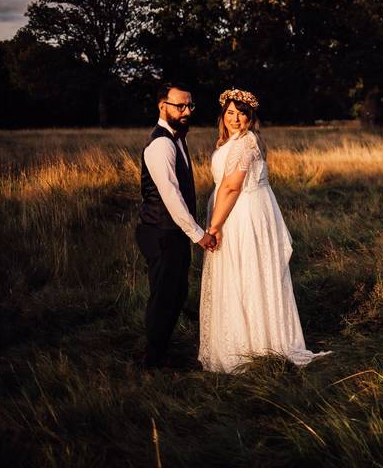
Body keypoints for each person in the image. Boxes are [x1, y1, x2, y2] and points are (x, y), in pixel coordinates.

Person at [198, 88, 330, 373]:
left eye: (241, 113)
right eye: (230, 113)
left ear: (250, 117)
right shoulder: (230, 141)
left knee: (247, 271)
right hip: (233, 209)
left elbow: (232, 186)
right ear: (223, 115)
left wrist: (214, 226)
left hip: (243, 212)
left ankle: (256, 345)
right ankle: (243, 340)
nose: (235, 118)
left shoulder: (246, 143)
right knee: (238, 272)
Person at [136, 82, 217, 370]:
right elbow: (170, 195)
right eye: (179, 106)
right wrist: (198, 234)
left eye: (189, 106)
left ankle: (159, 351)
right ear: (163, 106)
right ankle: (153, 359)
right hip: (161, 232)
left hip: (172, 232)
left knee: (175, 292)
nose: (186, 111)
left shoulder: (177, 138)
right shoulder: (160, 143)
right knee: (164, 295)